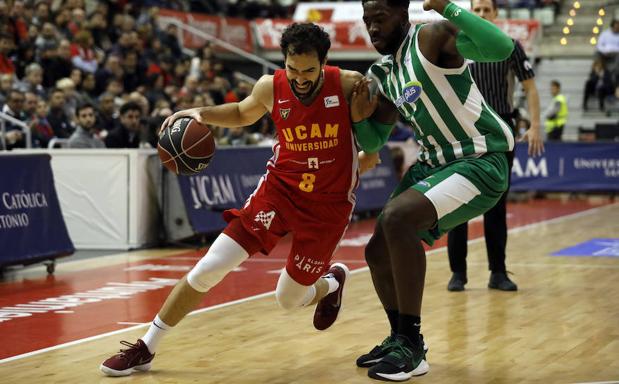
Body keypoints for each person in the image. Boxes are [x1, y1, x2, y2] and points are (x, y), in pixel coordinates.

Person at [100, 22, 382, 377]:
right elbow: (241, 113)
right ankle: (146, 346)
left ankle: (332, 282)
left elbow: (376, 128)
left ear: (324, 63)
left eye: (309, 70)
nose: (300, 77)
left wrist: (370, 150)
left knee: (288, 299)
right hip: (279, 192)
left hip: (327, 206)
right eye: (292, 68)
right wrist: (200, 113)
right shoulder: (271, 86)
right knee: (209, 268)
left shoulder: (347, 83)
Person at [355, 0, 516, 380]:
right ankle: (400, 338)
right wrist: (360, 117)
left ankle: (411, 345)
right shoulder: (383, 72)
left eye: (380, 19)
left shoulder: (431, 36)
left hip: (480, 159)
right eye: (367, 22)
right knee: (376, 252)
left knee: (397, 219)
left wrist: (447, 7)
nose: (373, 28)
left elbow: (502, 48)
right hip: (433, 164)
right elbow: (375, 139)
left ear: (402, 15)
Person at [446, 0, 544, 293]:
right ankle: (458, 273)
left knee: (496, 203)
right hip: (463, 131)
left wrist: (536, 125)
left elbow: (529, 86)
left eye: (487, 10)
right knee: (457, 202)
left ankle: (498, 272)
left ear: (496, 14)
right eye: (477, 10)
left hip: (501, 130)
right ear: (470, 13)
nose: (482, 14)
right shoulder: (457, 46)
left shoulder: (510, 46)